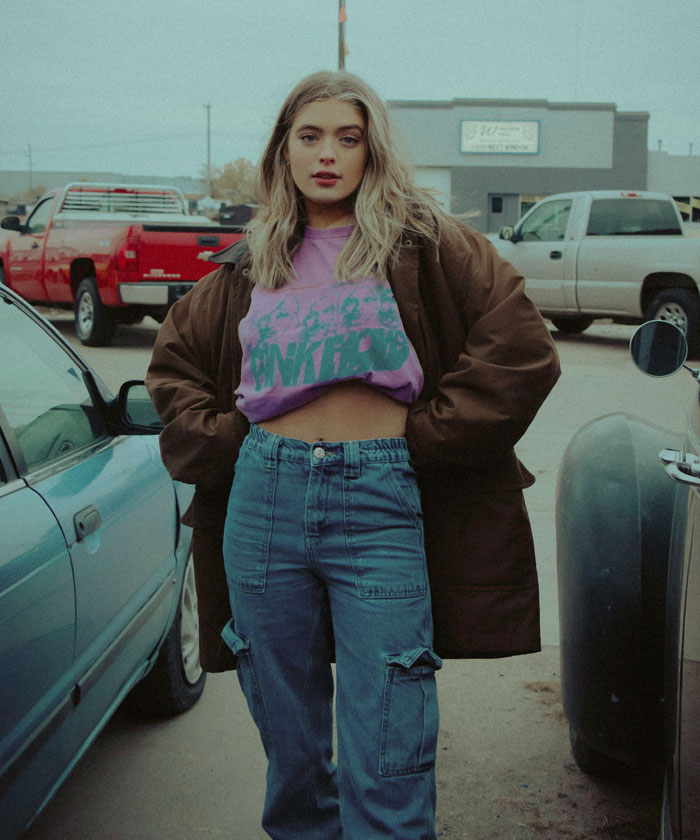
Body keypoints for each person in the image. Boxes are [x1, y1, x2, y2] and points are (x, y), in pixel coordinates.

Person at [145, 70, 560, 840]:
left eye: (348, 137)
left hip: (380, 502)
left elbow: (522, 349)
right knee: (291, 746)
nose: (328, 155)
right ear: (284, 150)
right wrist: (233, 440)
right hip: (265, 501)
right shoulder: (252, 260)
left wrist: (423, 440)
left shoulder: (423, 243)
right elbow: (174, 367)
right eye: (310, 137)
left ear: (373, 150)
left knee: (391, 730)